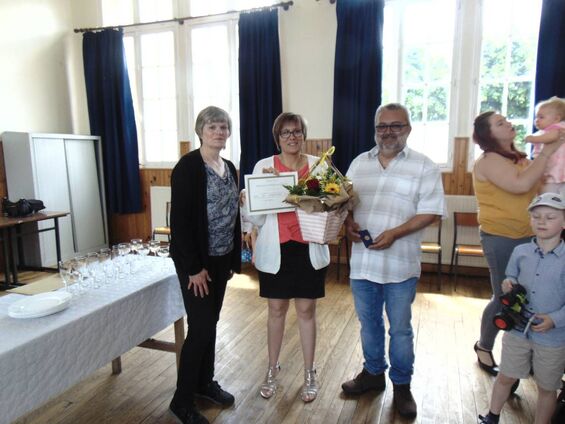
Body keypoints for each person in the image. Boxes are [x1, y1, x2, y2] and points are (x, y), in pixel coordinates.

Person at [340, 103, 445, 419]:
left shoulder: (424, 166)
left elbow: (431, 212)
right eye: (382, 126)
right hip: (362, 264)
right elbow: (343, 204)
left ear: (408, 129)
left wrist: (396, 233)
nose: (388, 131)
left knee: (399, 329)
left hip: (400, 265)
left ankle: (402, 384)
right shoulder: (359, 164)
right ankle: (373, 374)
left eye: (396, 125)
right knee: (368, 323)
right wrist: (348, 223)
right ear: (375, 130)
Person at [241, 112, 330, 403]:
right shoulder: (264, 166)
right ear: (277, 138)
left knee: (306, 312)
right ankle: (271, 369)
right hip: (276, 250)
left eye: (297, 131)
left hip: (308, 250)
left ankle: (309, 372)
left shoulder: (319, 167)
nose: (292, 137)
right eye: (285, 133)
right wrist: (249, 200)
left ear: (304, 134)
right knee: (276, 311)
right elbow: (255, 218)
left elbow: (331, 207)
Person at [471, 111, 565, 378]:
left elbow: (538, 191)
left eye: (507, 120)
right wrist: (547, 152)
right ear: (489, 135)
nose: (509, 123)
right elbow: (519, 185)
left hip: (530, 237)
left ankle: (526, 354)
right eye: (500, 123)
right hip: (501, 237)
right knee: (507, 298)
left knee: (532, 297)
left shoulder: (521, 158)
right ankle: (484, 346)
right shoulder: (488, 161)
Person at [169, 106, 241, 424]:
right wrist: (194, 267)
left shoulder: (230, 167)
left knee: (210, 322)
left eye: (224, 126)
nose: (219, 131)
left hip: (221, 256)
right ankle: (181, 401)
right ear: (200, 131)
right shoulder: (188, 167)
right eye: (212, 126)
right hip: (195, 262)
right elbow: (181, 223)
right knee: (200, 328)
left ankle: (204, 383)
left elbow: (232, 210)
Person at [478, 193, 565, 424]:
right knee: (506, 375)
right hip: (517, 329)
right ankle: (492, 416)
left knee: (547, 387)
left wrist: (555, 319)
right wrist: (508, 283)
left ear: (563, 222)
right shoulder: (521, 252)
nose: (542, 221)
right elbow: (510, 277)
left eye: (550, 217)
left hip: (552, 336)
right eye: (536, 217)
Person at [525, 97, 565, 197]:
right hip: (550, 174)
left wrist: (532, 139)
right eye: (536, 117)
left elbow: (552, 137)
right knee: (548, 197)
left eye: (541, 117)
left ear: (556, 119)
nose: (536, 120)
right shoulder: (542, 133)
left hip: (558, 170)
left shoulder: (558, 128)